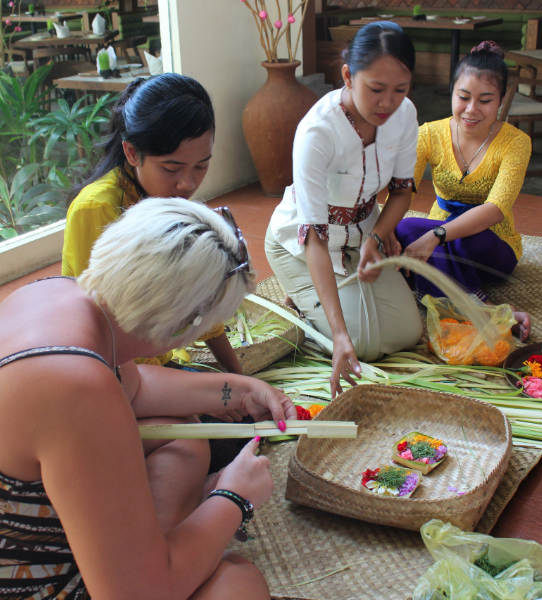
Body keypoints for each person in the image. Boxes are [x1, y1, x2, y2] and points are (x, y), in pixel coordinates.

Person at [0, 197, 296, 599]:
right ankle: (154, 558)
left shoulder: (58, 295)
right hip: (31, 578)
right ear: (180, 326)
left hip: (34, 526)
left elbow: (134, 388)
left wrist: (238, 390)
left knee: (185, 435)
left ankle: (147, 551)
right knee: (237, 583)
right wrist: (234, 497)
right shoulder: (79, 390)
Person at [265, 21, 423, 398]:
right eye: (376, 89)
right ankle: (301, 303)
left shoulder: (404, 115)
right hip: (302, 247)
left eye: (400, 90)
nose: (388, 103)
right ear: (348, 76)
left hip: (363, 234)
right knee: (361, 344)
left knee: (406, 332)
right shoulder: (317, 132)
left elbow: (402, 192)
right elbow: (314, 238)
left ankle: (330, 299)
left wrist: (379, 237)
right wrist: (338, 336)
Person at [62, 72, 242, 372]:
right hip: (111, 367)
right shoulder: (96, 209)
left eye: (201, 166)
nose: (187, 184)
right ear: (132, 152)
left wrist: (238, 373)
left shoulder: (169, 199)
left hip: (154, 360)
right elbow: (107, 333)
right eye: (171, 168)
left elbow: (203, 294)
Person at [395, 41, 532, 341]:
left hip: (490, 244)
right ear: (452, 92)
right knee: (403, 228)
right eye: (464, 97)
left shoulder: (516, 142)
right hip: (440, 238)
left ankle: (452, 296)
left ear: (501, 100)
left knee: (448, 240)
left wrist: (436, 235)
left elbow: (495, 210)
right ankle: (481, 306)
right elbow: (403, 192)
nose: (471, 110)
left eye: (485, 100)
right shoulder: (429, 133)